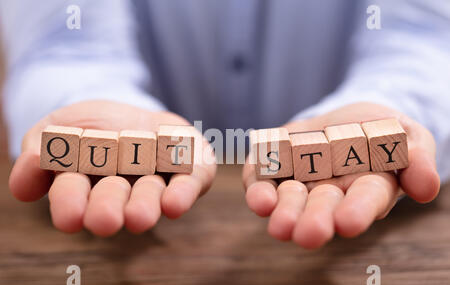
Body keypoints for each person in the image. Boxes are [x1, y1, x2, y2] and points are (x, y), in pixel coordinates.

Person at [1, 0, 448, 249]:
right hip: (144, 235)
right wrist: (88, 100)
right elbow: (64, 38)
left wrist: (388, 104)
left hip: (370, 233)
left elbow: (424, 36)